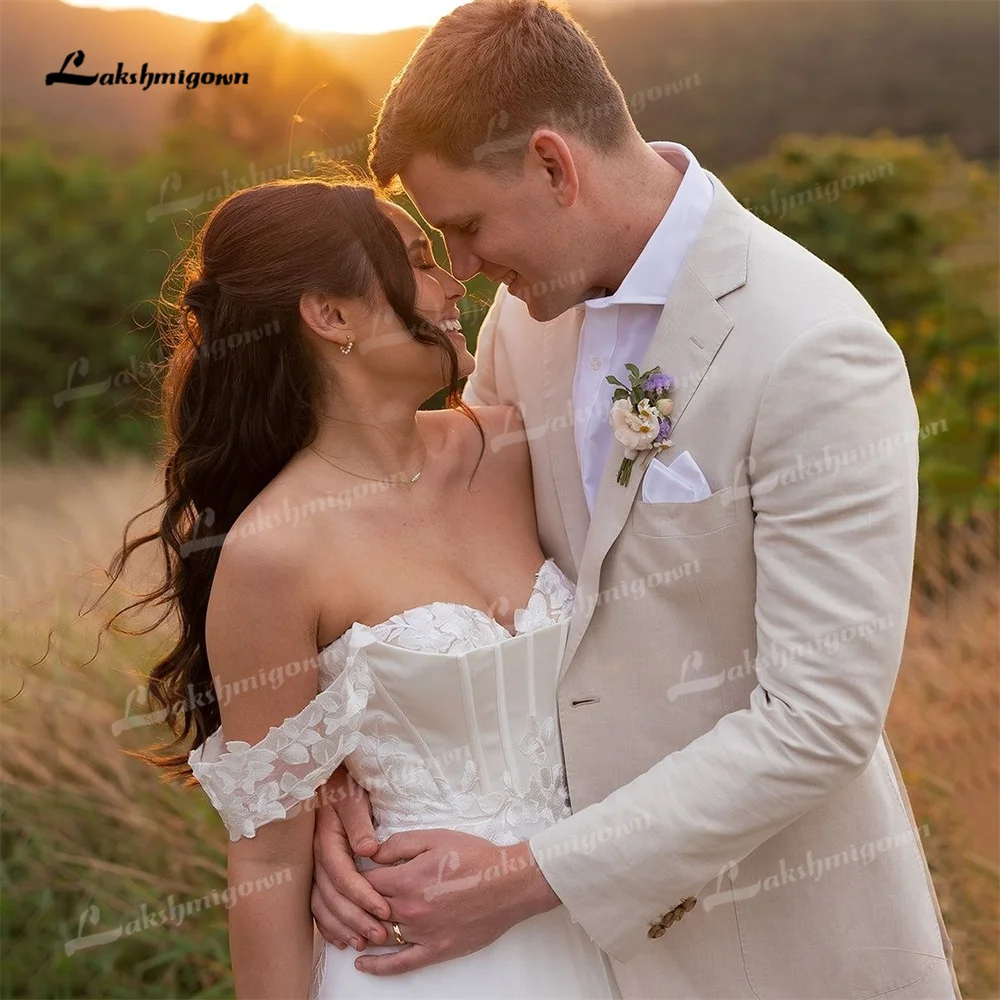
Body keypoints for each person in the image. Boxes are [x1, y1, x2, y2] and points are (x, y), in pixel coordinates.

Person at [309, 2, 961, 998]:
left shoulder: (815, 345)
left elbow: (817, 720)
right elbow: (435, 554)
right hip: (562, 964)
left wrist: (523, 878)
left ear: (554, 165)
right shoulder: (522, 330)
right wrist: (338, 772)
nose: (466, 269)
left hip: (774, 941)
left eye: (468, 226)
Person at [110, 174, 622, 999]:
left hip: (592, 921)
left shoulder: (515, 445)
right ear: (332, 315)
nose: (457, 282)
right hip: (412, 958)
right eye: (418, 261)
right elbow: (269, 855)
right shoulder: (273, 554)